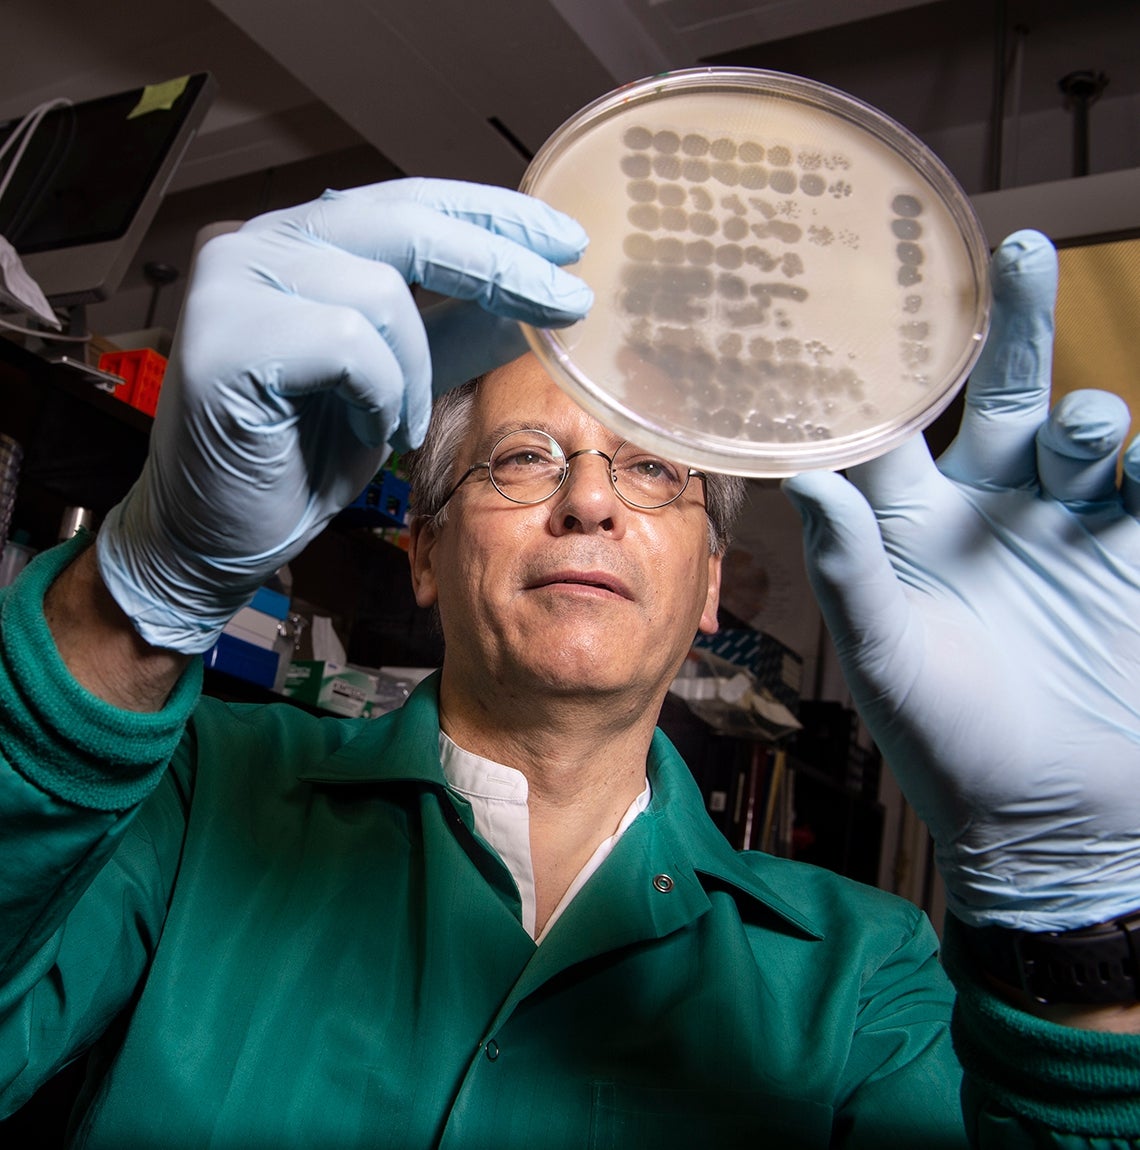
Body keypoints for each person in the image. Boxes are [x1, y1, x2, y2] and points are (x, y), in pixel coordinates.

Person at [0, 176, 1137, 1148]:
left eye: (651, 471)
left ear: (706, 589)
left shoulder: (862, 973)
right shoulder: (195, 798)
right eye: (522, 457)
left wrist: (1078, 918)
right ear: (426, 551)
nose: (589, 499)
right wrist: (140, 591)